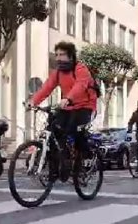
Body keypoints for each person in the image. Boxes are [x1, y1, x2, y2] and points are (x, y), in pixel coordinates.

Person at [29, 41, 98, 181]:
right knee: (54, 130)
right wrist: (33, 102)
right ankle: (57, 168)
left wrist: (68, 98)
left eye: (62, 55)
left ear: (71, 56)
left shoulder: (80, 68)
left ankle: (85, 158)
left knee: (76, 132)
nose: (58, 58)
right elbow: (46, 88)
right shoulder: (58, 73)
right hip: (68, 106)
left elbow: (80, 85)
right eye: (57, 55)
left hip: (85, 106)